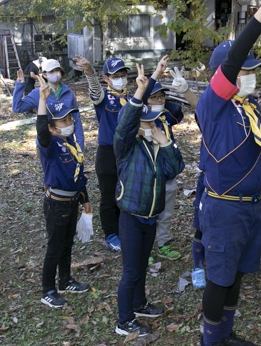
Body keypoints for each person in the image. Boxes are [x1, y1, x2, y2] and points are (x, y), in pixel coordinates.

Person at [195, 0, 261, 346]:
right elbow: (232, 63)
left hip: (248, 207)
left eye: (252, 71)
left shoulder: (250, 108)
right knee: (219, 278)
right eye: (243, 70)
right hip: (224, 209)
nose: (248, 76)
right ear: (223, 75)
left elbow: (257, 158)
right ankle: (210, 340)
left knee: (238, 276)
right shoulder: (212, 105)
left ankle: (225, 335)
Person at [113, 64, 185, 337]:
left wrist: (165, 143)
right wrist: (143, 88)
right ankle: (124, 321)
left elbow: (176, 168)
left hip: (151, 215)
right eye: (151, 101)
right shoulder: (128, 144)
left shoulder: (160, 135)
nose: (158, 107)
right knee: (131, 271)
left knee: (142, 266)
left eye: (160, 100)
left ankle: (139, 304)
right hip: (131, 215)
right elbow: (124, 124)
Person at [73, 54, 169, 252]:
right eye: (115, 75)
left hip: (129, 151)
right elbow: (94, 90)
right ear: (106, 78)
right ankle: (111, 234)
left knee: (125, 192)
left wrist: (158, 72)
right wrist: (90, 71)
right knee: (109, 196)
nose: (120, 78)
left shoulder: (129, 98)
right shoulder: (103, 98)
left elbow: (145, 92)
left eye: (123, 74)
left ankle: (123, 229)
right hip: (108, 152)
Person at [35, 74, 93, 308]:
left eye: (70, 117)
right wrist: (42, 101)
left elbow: (77, 173)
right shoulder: (49, 144)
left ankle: (65, 280)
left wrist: (84, 198)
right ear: (51, 127)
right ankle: (47, 289)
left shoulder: (70, 142)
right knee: (55, 246)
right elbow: (40, 130)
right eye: (62, 120)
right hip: (56, 202)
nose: (68, 122)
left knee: (67, 243)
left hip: (70, 201)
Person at [142, 63, 200, 263]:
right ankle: (146, 247)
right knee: (149, 214)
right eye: (153, 97)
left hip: (168, 175)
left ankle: (163, 243)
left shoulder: (166, 117)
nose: (158, 100)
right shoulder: (141, 120)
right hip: (149, 177)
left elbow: (178, 110)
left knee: (166, 213)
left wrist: (164, 104)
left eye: (161, 97)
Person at [12, 59, 84, 150]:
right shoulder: (37, 93)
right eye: (51, 71)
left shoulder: (68, 92)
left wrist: (80, 145)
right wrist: (19, 85)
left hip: (67, 140)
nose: (55, 73)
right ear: (45, 75)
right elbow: (17, 107)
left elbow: (77, 119)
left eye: (57, 70)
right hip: (47, 143)